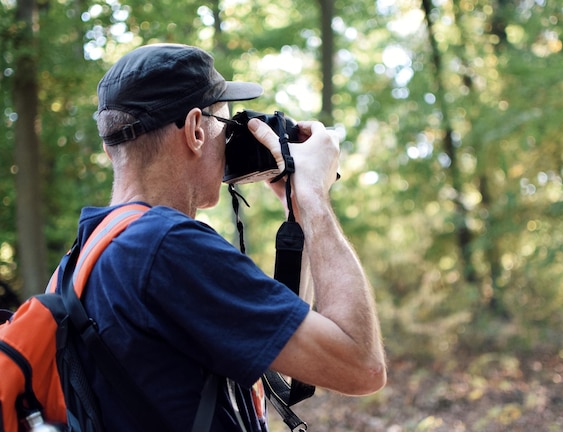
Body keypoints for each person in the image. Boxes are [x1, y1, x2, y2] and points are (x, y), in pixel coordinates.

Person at [69, 43, 386, 431]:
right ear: (196, 130)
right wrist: (315, 194)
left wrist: (298, 214)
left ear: (108, 149)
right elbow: (362, 365)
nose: (230, 140)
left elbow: (284, 351)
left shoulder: (87, 255)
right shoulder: (168, 248)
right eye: (227, 124)